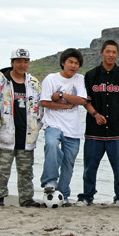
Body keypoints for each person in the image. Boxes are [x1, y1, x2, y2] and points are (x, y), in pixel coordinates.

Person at [77, 40, 119, 207]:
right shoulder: (91, 75)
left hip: (118, 129)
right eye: (108, 51)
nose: (111, 55)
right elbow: (85, 101)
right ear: (101, 53)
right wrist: (95, 114)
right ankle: (87, 196)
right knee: (90, 167)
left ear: (117, 55)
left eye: (114, 52)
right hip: (94, 129)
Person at [0, 48, 43, 207]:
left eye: (25, 61)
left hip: (27, 135)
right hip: (5, 134)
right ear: (12, 63)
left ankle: (26, 199)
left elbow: (40, 107)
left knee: (26, 172)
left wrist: (37, 125)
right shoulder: (1, 82)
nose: (22, 65)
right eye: (18, 61)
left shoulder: (33, 83)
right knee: (1, 171)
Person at [40, 48, 87, 206]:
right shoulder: (51, 79)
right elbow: (45, 102)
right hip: (53, 123)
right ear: (63, 63)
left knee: (69, 162)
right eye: (70, 62)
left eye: (76, 63)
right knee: (52, 144)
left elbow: (82, 100)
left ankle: (63, 194)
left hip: (73, 128)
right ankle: (49, 182)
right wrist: (66, 106)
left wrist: (61, 96)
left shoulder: (79, 79)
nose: (73, 66)